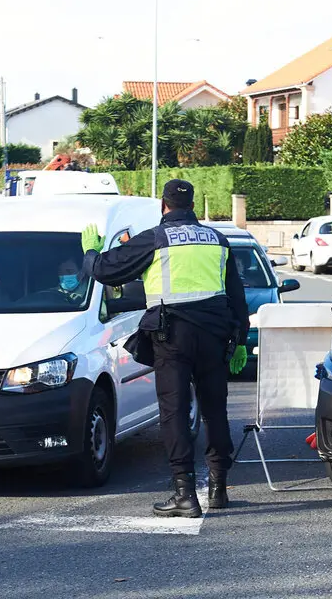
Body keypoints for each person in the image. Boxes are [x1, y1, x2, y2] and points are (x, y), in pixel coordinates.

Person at [80, 179, 249, 518]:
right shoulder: (217, 239)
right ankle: (219, 488)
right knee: (215, 410)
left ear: (163, 206)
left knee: (173, 411)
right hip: (215, 335)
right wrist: (241, 339)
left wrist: (91, 250)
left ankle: (185, 493)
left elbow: (104, 272)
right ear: (194, 207)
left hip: (172, 336)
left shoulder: (155, 239)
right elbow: (236, 294)